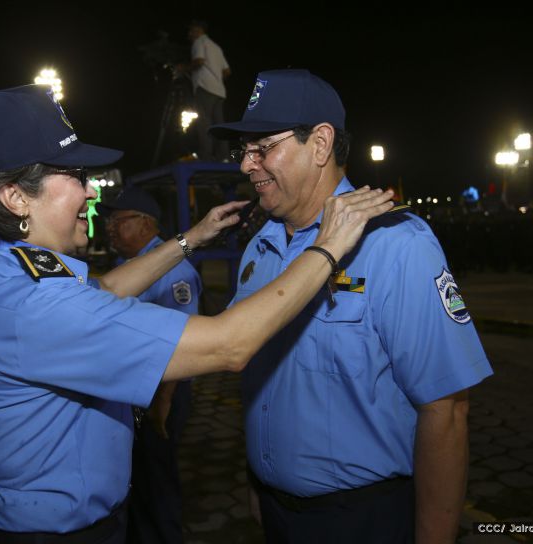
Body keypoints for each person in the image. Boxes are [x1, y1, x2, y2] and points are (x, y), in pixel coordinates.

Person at [0, 83, 393, 543]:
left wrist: (190, 238)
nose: (91, 189)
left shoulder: (2, 269)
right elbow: (228, 345)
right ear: (15, 197)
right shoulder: (34, 304)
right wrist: (328, 246)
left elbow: (105, 291)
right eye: (74, 174)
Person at [209, 69, 494, 543]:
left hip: (363, 519)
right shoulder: (261, 245)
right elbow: (262, 382)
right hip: (278, 510)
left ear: (320, 144)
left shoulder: (396, 245)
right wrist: (259, 482)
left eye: (263, 148)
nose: (246, 166)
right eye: (244, 151)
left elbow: (445, 410)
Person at [97, 187, 200, 544]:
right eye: (108, 221)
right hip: (133, 390)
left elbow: (181, 342)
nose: (109, 228)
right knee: (138, 480)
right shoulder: (127, 266)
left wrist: (164, 401)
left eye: (118, 221)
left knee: (157, 484)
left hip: (159, 393)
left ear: (145, 224)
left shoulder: (171, 267)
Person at [186, 19, 230, 162]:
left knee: (204, 122)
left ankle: (206, 156)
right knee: (219, 124)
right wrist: (215, 75)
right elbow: (227, 71)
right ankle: (224, 157)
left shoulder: (199, 42)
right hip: (219, 90)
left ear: (197, 30)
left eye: (191, 31)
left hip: (205, 87)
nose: (189, 35)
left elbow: (198, 61)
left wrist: (183, 68)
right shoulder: (215, 46)